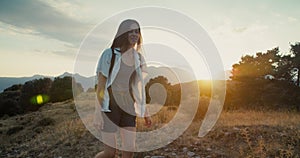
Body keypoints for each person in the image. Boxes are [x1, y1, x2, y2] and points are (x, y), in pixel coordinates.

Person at [94, 19, 152, 158]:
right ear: (123, 33)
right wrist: (97, 113)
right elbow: (101, 86)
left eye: (137, 31)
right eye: (130, 31)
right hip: (110, 105)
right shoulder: (109, 54)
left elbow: (138, 87)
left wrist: (145, 111)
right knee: (110, 153)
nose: (134, 34)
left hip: (128, 105)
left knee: (129, 149)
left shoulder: (138, 58)